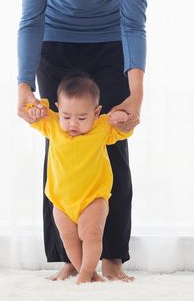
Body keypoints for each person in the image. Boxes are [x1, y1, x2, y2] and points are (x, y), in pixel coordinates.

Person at [16, 0, 147, 282]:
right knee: (61, 148)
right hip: (55, 42)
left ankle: (113, 256)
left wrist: (137, 93)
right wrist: (23, 86)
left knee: (113, 148)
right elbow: (32, 18)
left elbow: (133, 23)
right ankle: (70, 259)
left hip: (113, 42)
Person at [25, 76, 131, 284]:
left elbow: (124, 128)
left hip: (93, 198)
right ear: (58, 109)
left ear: (96, 112)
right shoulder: (53, 125)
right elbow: (34, 112)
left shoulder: (102, 128)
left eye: (82, 118)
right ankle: (90, 273)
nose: (73, 123)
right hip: (62, 201)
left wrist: (120, 116)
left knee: (92, 233)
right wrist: (33, 108)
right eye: (66, 116)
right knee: (70, 240)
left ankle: (84, 276)